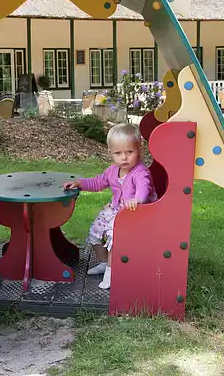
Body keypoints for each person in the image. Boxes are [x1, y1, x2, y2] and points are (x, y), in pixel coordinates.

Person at [63, 123, 157, 290]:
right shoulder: (112, 171)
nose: (124, 157)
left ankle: (111, 272)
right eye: (118, 153)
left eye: (129, 152)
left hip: (135, 213)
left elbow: (145, 186)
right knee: (94, 233)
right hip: (116, 210)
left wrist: (138, 199)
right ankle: (104, 262)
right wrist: (79, 183)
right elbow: (98, 182)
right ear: (110, 153)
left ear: (140, 150)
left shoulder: (140, 172)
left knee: (115, 237)